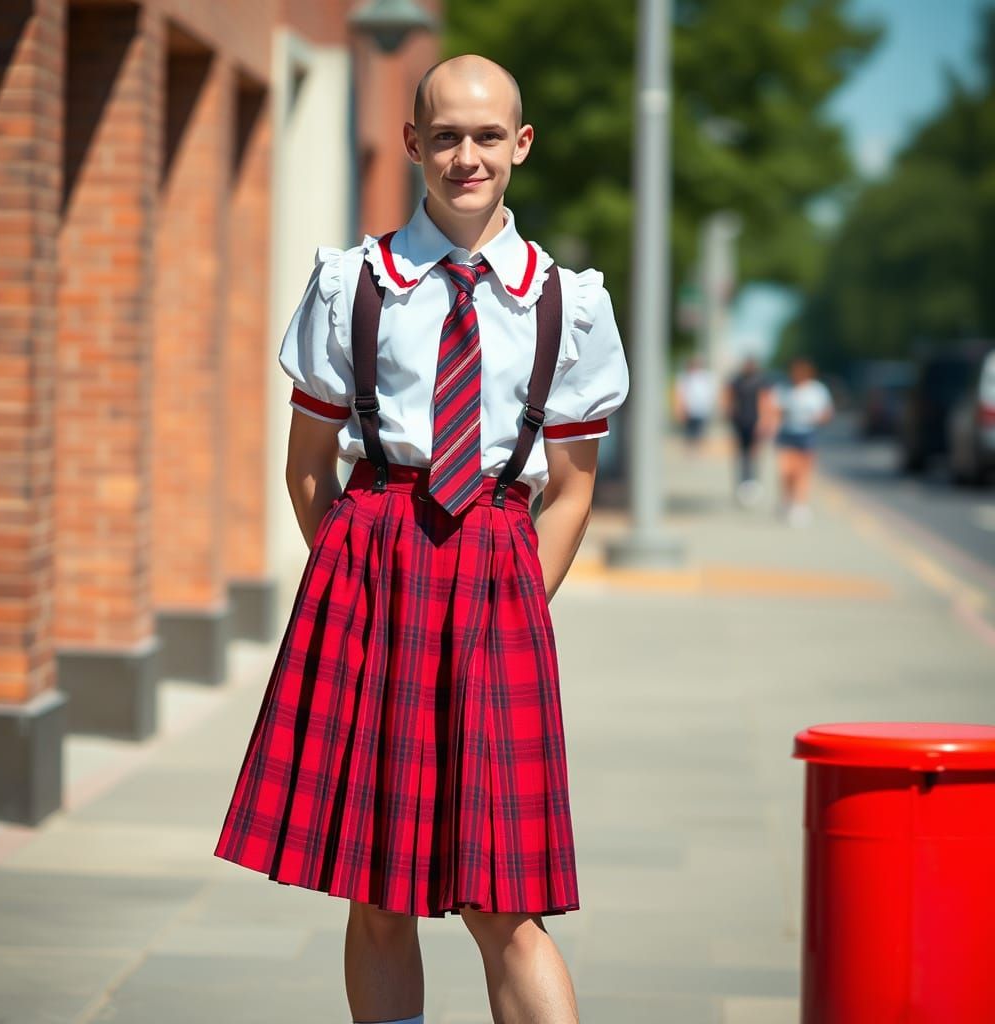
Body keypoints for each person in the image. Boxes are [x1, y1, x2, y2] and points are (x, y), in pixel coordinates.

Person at [214, 55, 629, 1024]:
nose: (466, 155)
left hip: (495, 578)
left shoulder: (566, 302)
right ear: (412, 144)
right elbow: (309, 466)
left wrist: (518, 597)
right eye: (445, 135)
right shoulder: (349, 284)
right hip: (371, 577)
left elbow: (569, 491)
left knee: (507, 904)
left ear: (521, 146)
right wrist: (355, 581)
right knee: (377, 889)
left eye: (488, 136)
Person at [767, 357, 833, 526]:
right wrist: (771, 426)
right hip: (787, 433)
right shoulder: (784, 389)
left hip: (807, 434)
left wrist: (819, 418)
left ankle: (800, 505)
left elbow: (827, 412)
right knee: (786, 471)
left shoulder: (817, 390)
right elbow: (774, 410)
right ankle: (786, 500)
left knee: (802, 472)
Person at [723, 356, 768, 506]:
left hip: (755, 422)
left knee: (754, 454)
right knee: (741, 455)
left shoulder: (760, 381)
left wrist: (763, 421)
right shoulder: (737, 381)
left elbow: (765, 400)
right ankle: (742, 484)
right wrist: (728, 412)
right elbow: (728, 396)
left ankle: (753, 482)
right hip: (740, 422)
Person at [673, 354, 716, 449]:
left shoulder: (705, 377)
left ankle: (697, 450)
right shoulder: (684, 377)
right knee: (689, 433)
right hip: (688, 409)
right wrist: (679, 409)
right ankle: (691, 451)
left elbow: (709, 394)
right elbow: (679, 394)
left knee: (700, 433)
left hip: (701, 410)